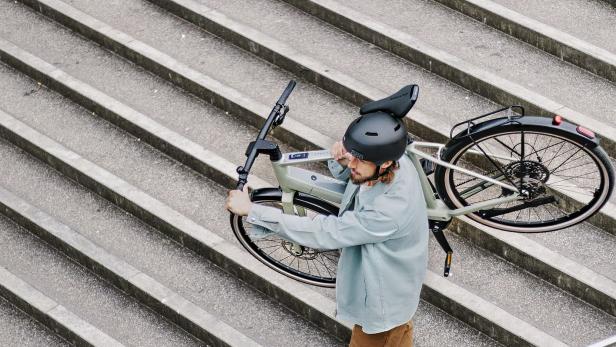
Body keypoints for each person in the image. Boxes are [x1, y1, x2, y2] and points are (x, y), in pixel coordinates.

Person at [226, 111, 429, 347]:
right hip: (399, 290)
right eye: (352, 154)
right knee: (400, 335)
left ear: (384, 163)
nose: (352, 162)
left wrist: (253, 211)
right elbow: (357, 181)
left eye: (359, 160)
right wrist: (343, 161)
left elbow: (324, 231)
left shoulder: (389, 211)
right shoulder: (394, 160)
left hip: (383, 302)